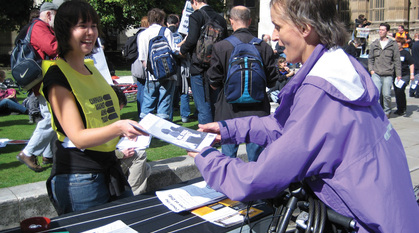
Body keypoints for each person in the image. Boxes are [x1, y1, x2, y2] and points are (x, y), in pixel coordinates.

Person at [187, 0, 419, 232]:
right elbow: (287, 127)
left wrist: (206, 157)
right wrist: (229, 130)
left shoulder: (320, 92)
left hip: (369, 223)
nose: (274, 35)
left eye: (278, 26)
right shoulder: (340, 65)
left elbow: (259, 177)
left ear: (305, 28)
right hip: (394, 212)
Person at [41, 0, 145, 215]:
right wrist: (119, 128)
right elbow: (78, 136)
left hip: (109, 166)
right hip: (80, 177)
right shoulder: (57, 77)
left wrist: (123, 136)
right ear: (64, 30)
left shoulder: (91, 67)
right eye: (82, 26)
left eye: (94, 26)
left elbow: (102, 115)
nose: (90, 32)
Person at [207, 6, 277, 162]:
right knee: (257, 161)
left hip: (229, 109)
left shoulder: (221, 47)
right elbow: (273, 80)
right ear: (250, 21)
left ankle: (227, 186)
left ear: (231, 22)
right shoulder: (263, 47)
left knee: (227, 159)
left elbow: (214, 80)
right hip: (258, 110)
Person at [16, 2, 59, 172]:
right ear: (49, 15)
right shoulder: (40, 27)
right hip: (43, 82)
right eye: (57, 16)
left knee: (52, 117)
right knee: (50, 118)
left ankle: (48, 155)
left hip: (44, 80)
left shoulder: (37, 27)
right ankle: (28, 152)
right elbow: (53, 47)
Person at [179, 0, 228, 124]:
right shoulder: (220, 18)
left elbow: (191, 39)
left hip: (199, 66)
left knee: (203, 105)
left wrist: (182, 50)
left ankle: (207, 136)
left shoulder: (196, 16)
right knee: (215, 102)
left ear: (195, 1)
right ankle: (217, 133)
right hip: (216, 66)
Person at [137, 8, 177, 121]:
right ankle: (162, 129)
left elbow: (142, 58)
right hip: (167, 73)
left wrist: (151, 70)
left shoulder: (143, 34)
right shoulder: (166, 31)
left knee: (148, 102)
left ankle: (144, 130)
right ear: (162, 19)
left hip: (151, 74)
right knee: (165, 101)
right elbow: (173, 50)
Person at [112, 86, 151, 195]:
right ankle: (134, 195)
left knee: (146, 168)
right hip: (107, 162)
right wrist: (120, 154)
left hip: (110, 159)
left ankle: (132, 193)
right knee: (140, 155)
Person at [368, 22, 401, 118]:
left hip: (388, 73)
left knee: (387, 95)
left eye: (382, 30)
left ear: (387, 31)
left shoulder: (392, 44)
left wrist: (398, 74)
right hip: (376, 73)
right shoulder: (374, 44)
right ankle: (377, 112)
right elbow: (370, 59)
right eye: (380, 29)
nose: (380, 31)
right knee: (377, 94)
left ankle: (387, 111)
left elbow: (397, 60)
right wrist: (371, 70)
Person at [167, 13, 191, 123]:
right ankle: (185, 116)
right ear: (177, 23)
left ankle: (169, 116)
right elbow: (181, 50)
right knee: (184, 91)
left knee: (170, 93)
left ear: (167, 23)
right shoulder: (179, 36)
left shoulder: (164, 34)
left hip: (168, 67)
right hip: (181, 67)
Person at [131, 16, 149, 119]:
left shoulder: (137, 33)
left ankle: (141, 112)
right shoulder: (144, 34)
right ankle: (143, 113)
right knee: (144, 89)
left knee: (140, 88)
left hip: (136, 64)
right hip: (142, 63)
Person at [394, 37, 415, 116]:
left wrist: (412, 74)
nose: (397, 44)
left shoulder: (405, 53)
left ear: (402, 44)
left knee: (400, 90)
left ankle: (402, 108)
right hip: (395, 76)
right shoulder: (393, 53)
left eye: (398, 42)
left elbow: (411, 63)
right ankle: (400, 107)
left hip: (404, 75)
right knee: (397, 92)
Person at [410, 33, 419, 98]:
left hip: (414, 62)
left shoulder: (413, 44)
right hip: (418, 62)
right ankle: (417, 93)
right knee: (418, 79)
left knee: (414, 79)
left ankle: (411, 91)